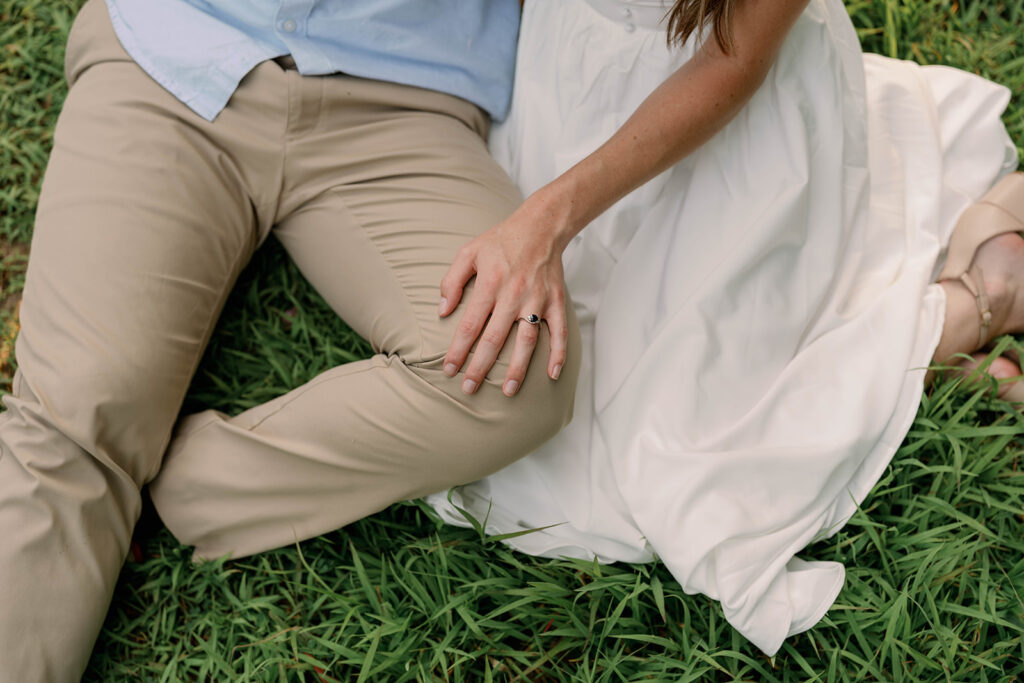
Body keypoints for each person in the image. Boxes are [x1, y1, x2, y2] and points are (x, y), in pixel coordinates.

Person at [0, 1, 582, 680]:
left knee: (514, 365)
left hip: (406, 92)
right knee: (73, 416)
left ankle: (164, 486)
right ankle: (97, 464)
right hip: (174, 49)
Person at [427, 0, 1022, 655]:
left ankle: (965, 306)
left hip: (721, 107)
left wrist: (549, 219)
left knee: (668, 435)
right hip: (562, 68)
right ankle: (916, 349)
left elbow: (732, 60)